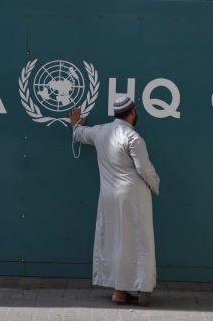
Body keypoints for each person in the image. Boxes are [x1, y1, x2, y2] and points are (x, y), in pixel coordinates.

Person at [69, 96, 160, 306]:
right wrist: (156, 185)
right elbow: (144, 169)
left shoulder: (100, 131)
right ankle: (140, 287)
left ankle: (120, 291)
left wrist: (75, 125)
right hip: (133, 198)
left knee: (116, 241)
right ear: (133, 112)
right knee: (137, 242)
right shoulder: (134, 138)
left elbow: (80, 134)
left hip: (108, 196)